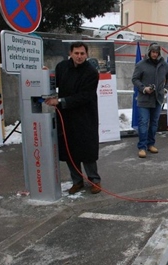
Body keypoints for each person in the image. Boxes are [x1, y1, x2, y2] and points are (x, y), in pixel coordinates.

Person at [45, 41, 102, 194]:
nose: (79, 56)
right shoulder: (62, 67)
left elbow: (85, 96)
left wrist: (61, 101)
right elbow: (53, 82)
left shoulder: (91, 72)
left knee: (87, 150)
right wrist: (44, 75)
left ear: (87, 54)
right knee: (69, 149)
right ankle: (77, 181)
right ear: (70, 53)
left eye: (82, 53)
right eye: (76, 53)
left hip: (85, 116)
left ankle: (94, 180)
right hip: (66, 116)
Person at [132, 42, 168, 158]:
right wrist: (144, 88)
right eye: (153, 52)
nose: (155, 54)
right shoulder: (141, 64)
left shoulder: (163, 64)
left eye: (157, 52)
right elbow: (135, 79)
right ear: (149, 52)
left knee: (154, 124)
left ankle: (151, 144)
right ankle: (142, 147)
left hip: (157, 99)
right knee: (143, 123)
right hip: (144, 99)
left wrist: (166, 89)